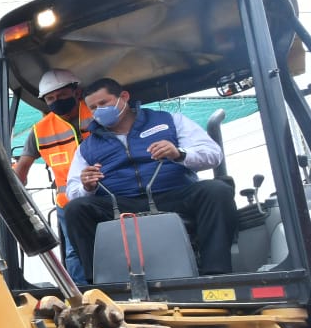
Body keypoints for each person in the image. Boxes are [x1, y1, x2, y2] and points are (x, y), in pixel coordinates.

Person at [65, 78, 236, 281]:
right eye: (93, 108)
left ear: (124, 97)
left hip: (173, 194)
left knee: (217, 190)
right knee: (75, 209)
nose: (99, 111)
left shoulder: (169, 121)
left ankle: (216, 275)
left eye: (104, 103)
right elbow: (72, 190)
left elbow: (212, 154)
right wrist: (86, 186)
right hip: (120, 204)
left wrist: (179, 153)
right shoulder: (87, 146)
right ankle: (101, 283)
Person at [14, 68, 94, 285]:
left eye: (61, 95)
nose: (56, 101)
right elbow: (22, 169)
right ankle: (85, 295)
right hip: (68, 202)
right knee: (74, 253)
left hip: (108, 195)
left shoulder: (97, 112)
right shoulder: (40, 131)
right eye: (50, 98)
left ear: (77, 92)